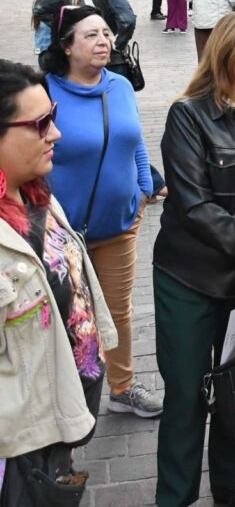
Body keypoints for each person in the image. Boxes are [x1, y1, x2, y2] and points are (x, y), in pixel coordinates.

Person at [153, 11, 235, 507]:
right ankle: (175, 496)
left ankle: (229, 485)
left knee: (234, 390)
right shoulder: (188, 116)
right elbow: (194, 207)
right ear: (227, 52)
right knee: (187, 395)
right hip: (187, 280)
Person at [0, 59, 117, 507]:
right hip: (22, 441)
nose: (56, 133)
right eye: (39, 123)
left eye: (54, 117)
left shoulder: (33, 191)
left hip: (58, 418)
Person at [40, 5, 163, 421]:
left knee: (117, 309)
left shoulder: (121, 86)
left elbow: (135, 140)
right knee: (63, 316)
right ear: (66, 46)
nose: (104, 41)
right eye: (91, 35)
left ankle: (122, 388)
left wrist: (144, 187)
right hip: (60, 233)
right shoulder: (45, 93)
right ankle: (64, 396)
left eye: (107, 33)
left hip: (120, 224)